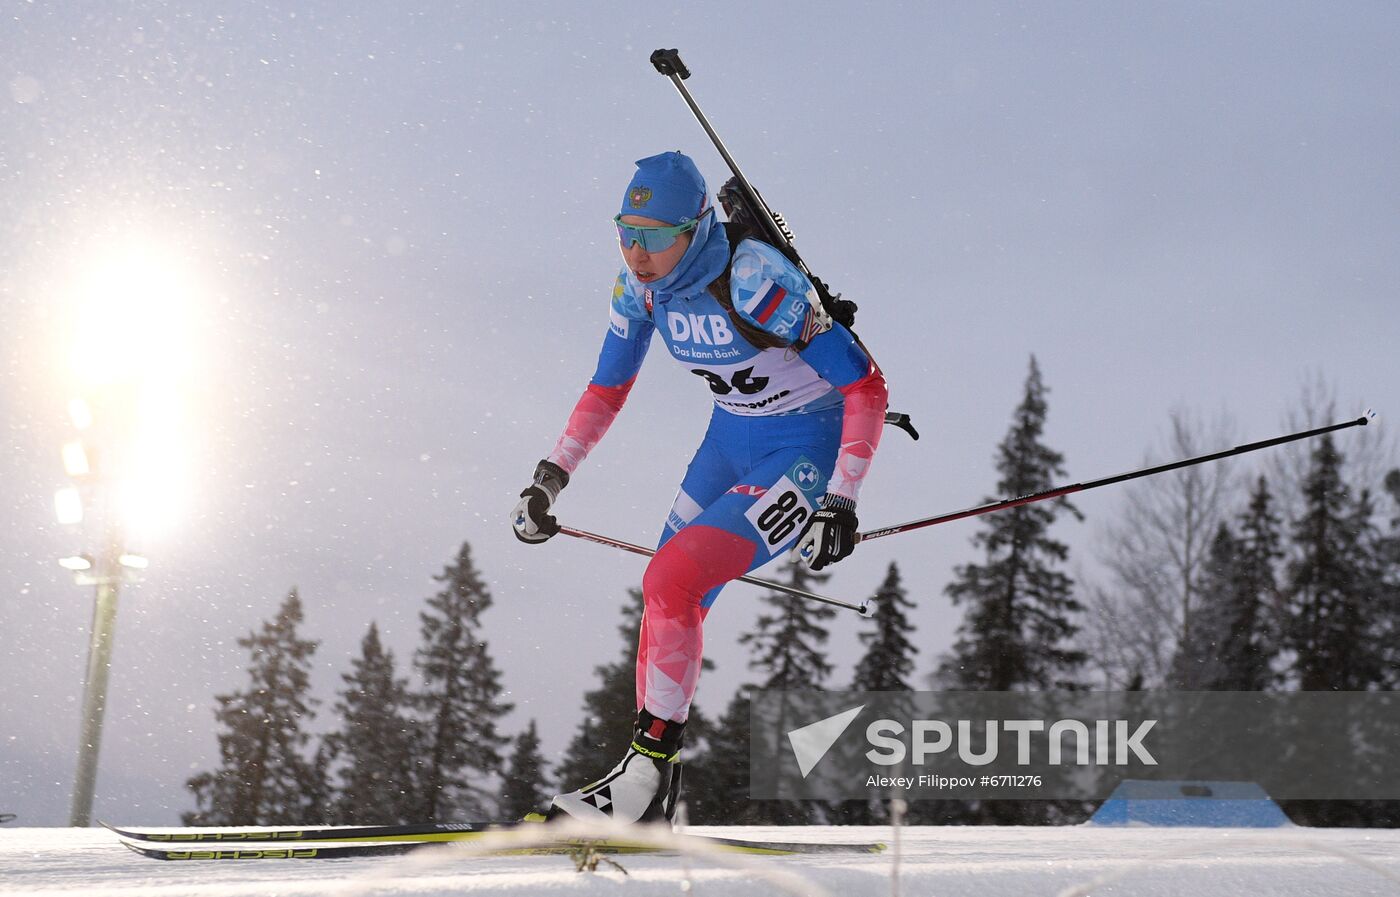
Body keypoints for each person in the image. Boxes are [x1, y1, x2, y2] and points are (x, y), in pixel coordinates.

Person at [511, 151, 888, 824]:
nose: (637, 250)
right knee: (665, 592)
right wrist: (551, 475)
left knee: (672, 579)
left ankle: (643, 780)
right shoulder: (641, 289)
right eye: (626, 231)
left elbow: (865, 384)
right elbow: (606, 387)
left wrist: (841, 496)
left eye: (655, 235)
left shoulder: (754, 282)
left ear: (697, 225)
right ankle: (647, 784)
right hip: (728, 442)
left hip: (802, 446)